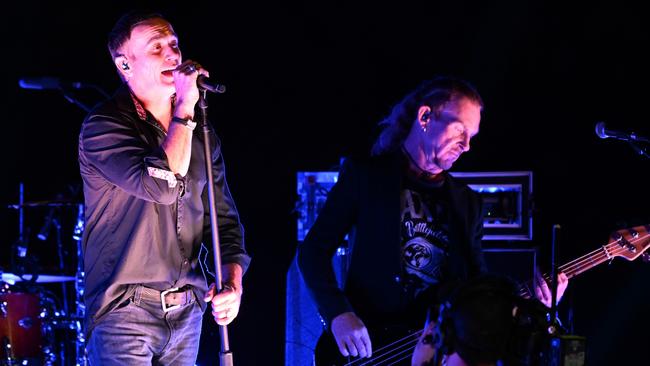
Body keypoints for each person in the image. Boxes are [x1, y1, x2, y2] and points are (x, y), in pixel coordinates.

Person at [296, 76, 568, 365]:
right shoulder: (366, 177)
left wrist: (533, 303)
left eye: (472, 136)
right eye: (460, 129)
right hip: (367, 352)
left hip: (436, 353)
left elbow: (480, 293)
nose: (466, 146)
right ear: (425, 116)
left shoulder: (467, 204)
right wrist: (338, 313)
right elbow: (313, 251)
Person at [78, 10, 250, 364]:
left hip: (188, 312)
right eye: (156, 47)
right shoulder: (103, 127)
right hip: (125, 314)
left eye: (173, 43)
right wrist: (185, 106)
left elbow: (225, 223)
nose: (172, 54)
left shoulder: (203, 136)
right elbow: (162, 187)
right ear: (125, 65)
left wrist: (233, 282)